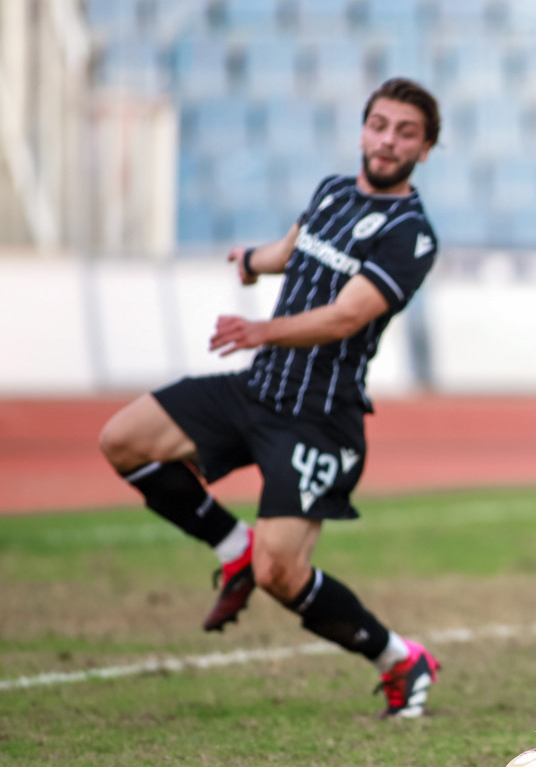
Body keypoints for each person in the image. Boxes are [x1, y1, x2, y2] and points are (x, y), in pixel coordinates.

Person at [97, 78, 443, 718]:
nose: (387, 140)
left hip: (318, 418)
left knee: (280, 576)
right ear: (363, 128)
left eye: (405, 133)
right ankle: (234, 548)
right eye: (379, 124)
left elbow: (345, 316)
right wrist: (252, 261)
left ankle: (400, 658)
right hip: (258, 388)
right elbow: (293, 249)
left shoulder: (411, 234)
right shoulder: (332, 191)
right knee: (123, 439)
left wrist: (261, 329)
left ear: (425, 150)